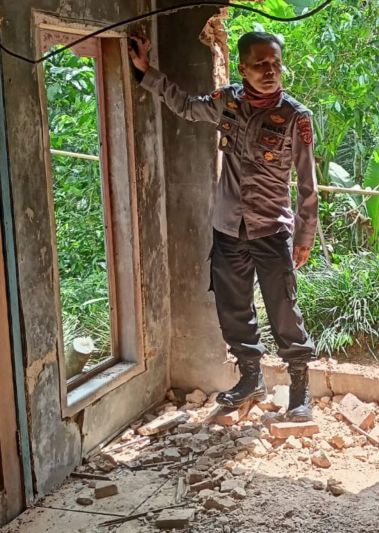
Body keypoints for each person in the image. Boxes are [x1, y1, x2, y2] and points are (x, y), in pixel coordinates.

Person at [128, 33, 318, 421]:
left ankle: (300, 390)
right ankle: (251, 377)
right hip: (228, 228)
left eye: (276, 64)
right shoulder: (226, 101)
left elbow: (306, 184)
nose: (270, 71)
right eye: (260, 64)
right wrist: (146, 70)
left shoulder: (296, 117)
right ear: (243, 69)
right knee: (232, 309)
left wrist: (304, 236)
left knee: (283, 309)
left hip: (271, 230)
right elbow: (184, 105)